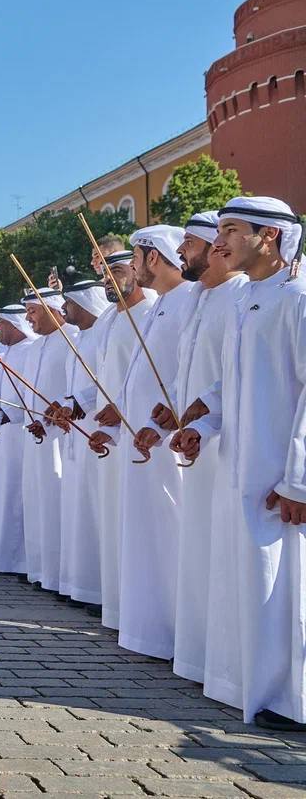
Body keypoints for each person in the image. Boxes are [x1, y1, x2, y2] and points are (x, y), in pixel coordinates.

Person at [174, 195, 306, 731]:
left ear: (268, 236)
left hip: (280, 475)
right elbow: (232, 384)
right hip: (239, 466)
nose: (219, 240)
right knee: (249, 579)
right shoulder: (244, 301)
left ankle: (291, 701)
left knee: (286, 585)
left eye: (230, 229)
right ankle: (252, 689)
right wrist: (201, 426)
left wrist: (299, 480)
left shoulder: (298, 298)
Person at [132, 211, 247, 688]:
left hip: (231, 446)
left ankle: (234, 668)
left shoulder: (241, 297)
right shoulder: (198, 299)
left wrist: (200, 412)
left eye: (191, 245)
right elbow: (186, 373)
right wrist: (170, 414)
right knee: (199, 550)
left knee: (224, 554)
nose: (183, 252)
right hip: (195, 442)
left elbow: (234, 378)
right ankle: (202, 656)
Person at [112, 224, 198, 659]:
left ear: (153, 257)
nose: (130, 266)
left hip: (171, 444)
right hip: (145, 439)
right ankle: (150, 630)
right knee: (147, 534)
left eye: (135, 255)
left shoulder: (187, 303)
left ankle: (174, 633)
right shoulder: (160, 306)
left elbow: (190, 374)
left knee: (170, 533)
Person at [85, 247, 158, 629]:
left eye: (116, 271)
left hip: (148, 438)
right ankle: (118, 609)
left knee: (147, 528)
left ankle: (148, 617)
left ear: (137, 268)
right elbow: (96, 377)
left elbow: (158, 381)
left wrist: (125, 413)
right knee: (114, 522)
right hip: (111, 436)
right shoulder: (107, 321)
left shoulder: (153, 313)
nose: (108, 280)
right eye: (104, 274)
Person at [54, 279, 113, 608]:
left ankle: (99, 591)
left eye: (70, 303)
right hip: (77, 431)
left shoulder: (103, 332)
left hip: (102, 431)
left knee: (96, 509)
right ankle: (81, 586)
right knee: (79, 510)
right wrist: (68, 406)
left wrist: (78, 405)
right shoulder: (77, 338)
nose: (65, 309)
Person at [19, 287, 76, 591]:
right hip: (36, 436)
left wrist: (51, 421)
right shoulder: (36, 347)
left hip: (61, 438)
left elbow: (73, 391)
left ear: (53, 309)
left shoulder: (72, 340)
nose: (29, 318)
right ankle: (41, 571)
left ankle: (61, 576)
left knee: (57, 503)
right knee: (37, 501)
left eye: (33, 311)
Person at [0, 304, 37, 576]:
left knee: (17, 498)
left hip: (23, 435)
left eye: (0, 324)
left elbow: (28, 398)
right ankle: (4, 558)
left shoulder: (31, 349)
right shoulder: (7, 354)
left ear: (14, 325)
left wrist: (5, 415)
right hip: (4, 433)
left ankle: (20, 561)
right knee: (3, 496)